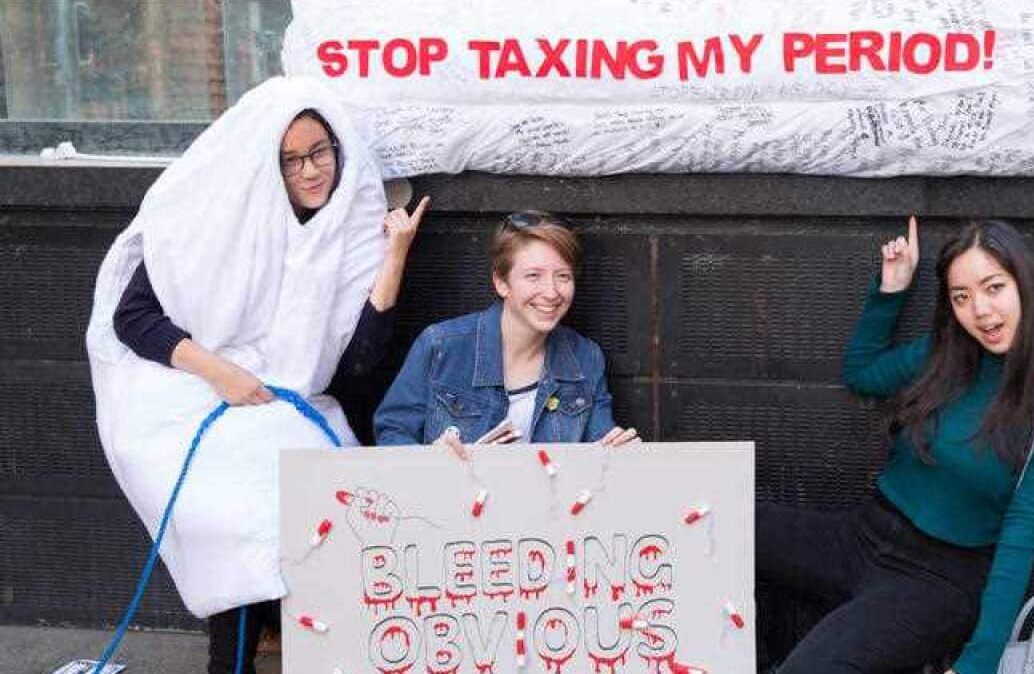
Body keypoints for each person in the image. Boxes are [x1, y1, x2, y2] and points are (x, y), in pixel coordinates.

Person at [87, 77, 427, 674]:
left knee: (328, 509)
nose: (312, 171)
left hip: (290, 402)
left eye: (320, 152)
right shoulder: (214, 220)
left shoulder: (349, 228)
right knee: (242, 517)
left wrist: (395, 255)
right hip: (186, 393)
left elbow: (355, 370)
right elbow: (132, 317)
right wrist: (222, 374)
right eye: (292, 160)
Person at [756, 217, 1034, 674]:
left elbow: (1022, 534)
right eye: (961, 297)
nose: (980, 311)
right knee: (719, 525)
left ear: (1024, 284)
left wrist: (978, 665)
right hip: (864, 536)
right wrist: (891, 289)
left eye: (994, 288)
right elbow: (863, 374)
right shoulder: (947, 353)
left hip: (939, 580)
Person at [375, 210, 638, 452]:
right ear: (501, 283)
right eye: (533, 276)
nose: (551, 292)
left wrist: (618, 451)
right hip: (456, 490)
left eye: (563, 276)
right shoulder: (441, 346)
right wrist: (432, 458)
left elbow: (599, 449)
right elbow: (392, 433)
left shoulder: (586, 357)